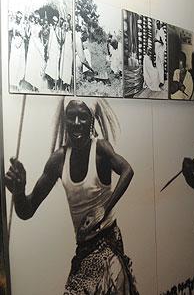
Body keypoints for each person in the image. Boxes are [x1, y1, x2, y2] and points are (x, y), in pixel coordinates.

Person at [4, 98, 139, 294]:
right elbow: (27, 210)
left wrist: (104, 209)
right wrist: (18, 192)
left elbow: (127, 170)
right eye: (71, 117)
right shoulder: (58, 160)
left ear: (91, 122)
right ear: (65, 121)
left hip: (108, 241)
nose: (76, 123)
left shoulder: (100, 150)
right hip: (84, 248)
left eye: (82, 117)